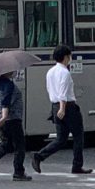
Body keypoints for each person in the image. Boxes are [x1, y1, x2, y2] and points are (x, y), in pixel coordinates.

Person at [33, 45, 88, 174]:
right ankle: (77, 165)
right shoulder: (65, 72)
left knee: (61, 139)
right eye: (69, 56)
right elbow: (63, 91)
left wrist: (57, 107)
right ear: (65, 57)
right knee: (78, 136)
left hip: (55, 105)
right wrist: (63, 108)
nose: (70, 59)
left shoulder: (50, 72)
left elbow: (50, 89)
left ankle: (39, 156)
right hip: (67, 107)